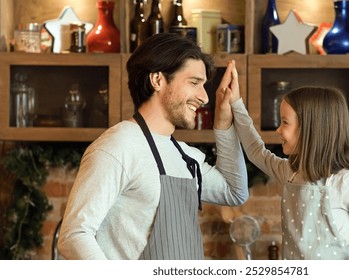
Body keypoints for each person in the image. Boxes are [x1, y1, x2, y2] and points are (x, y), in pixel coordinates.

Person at [58, 33, 248, 260]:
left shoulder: (184, 156)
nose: (205, 97)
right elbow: (74, 235)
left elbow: (235, 192)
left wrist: (224, 121)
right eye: (194, 83)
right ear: (157, 80)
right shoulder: (118, 146)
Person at [220, 72, 349, 259]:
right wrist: (236, 103)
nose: (278, 129)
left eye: (285, 122)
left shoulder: (345, 180)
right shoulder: (290, 172)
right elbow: (255, 150)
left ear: (311, 129)